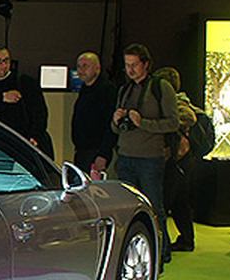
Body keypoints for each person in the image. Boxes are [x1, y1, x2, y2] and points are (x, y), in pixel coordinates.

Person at [111, 44, 180, 265]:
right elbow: (115, 130)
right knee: (128, 209)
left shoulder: (161, 87)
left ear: (146, 64)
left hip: (150, 158)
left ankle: (161, 251)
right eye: (127, 65)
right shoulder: (125, 90)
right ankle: (135, 251)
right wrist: (116, 121)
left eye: (134, 65)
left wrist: (144, 122)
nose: (130, 70)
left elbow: (173, 122)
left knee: (154, 207)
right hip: (125, 156)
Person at [153, 67, 198, 252]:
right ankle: (186, 239)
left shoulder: (177, 104)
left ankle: (165, 242)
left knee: (168, 201)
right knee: (180, 202)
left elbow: (188, 118)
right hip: (181, 159)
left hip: (176, 160)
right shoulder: (180, 103)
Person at [71, 51, 117, 179]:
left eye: (86, 66)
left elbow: (110, 124)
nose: (81, 70)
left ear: (97, 68)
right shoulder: (85, 89)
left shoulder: (107, 90)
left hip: (96, 151)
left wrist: (103, 154)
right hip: (82, 150)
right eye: (79, 66)